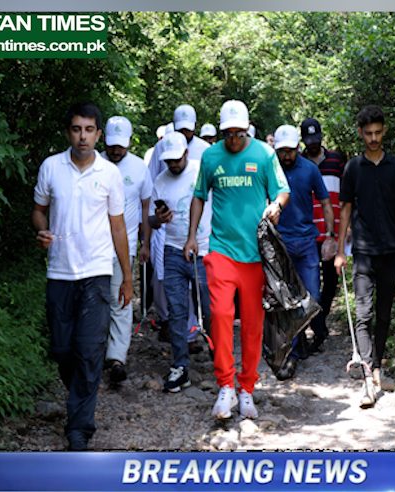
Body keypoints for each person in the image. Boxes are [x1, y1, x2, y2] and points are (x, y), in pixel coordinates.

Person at [32, 102, 133, 450]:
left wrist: (128, 277)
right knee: (62, 350)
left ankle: (79, 429)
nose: (82, 136)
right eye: (76, 129)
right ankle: (80, 395)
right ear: (68, 133)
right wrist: (42, 231)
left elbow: (118, 226)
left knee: (89, 351)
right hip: (59, 272)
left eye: (89, 130)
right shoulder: (51, 167)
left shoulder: (109, 174)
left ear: (99, 134)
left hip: (97, 273)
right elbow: (38, 210)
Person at [184, 100, 290, 420]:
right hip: (221, 250)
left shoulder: (263, 154)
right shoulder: (211, 156)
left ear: (247, 129)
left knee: (253, 324)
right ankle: (225, 385)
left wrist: (277, 206)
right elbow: (199, 197)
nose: (233, 140)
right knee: (219, 314)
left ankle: (247, 389)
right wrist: (191, 236)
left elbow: (282, 190)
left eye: (238, 134)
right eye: (227, 134)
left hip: (256, 253)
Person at [334, 105, 395, 408]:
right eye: (368, 133)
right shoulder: (352, 168)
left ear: (383, 131)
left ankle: (377, 369)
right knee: (363, 314)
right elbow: (346, 209)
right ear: (361, 133)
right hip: (363, 251)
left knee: (384, 315)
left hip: (391, 251)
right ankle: (366, 380)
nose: (373, 138)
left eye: (378, 132)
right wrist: (339, 251)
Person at [149, 131, 213, 393]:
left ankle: (220, 357)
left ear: (186, 154)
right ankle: (180, 365)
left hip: (205, 248)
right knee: (176, 310)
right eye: (169, 161)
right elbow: (151, 220)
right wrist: (159, 219)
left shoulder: (202, 171)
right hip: (173, 249)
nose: (173, 165)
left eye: (177, 159)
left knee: (211, 307)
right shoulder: (160, 181)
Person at [272, 124, 334, 381]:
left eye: (290, 151)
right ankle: (292, 354)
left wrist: (329, 236)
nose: (286, 156)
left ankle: (301, 339)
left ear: (298, 147)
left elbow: (326, 202)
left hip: (307, 243)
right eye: (282, 151)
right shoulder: (271, 169)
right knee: (288, 300)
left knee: (313, 297)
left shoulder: (309, 170)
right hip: (281, 244)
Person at [100, 116, 153, 383]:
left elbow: (146, 207)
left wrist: (145, 242)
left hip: (126, 245)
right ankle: (96, 351)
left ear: (129, 143)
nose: (116, 150)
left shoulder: (140, 169)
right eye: (111, 145)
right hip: (95, 246)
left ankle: (117, 357)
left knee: (121, 300)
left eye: (120, 146)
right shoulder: (94, 164)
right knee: (97, 301)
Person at [300, 117, 347, 354]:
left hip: (333, 230)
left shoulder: (337, 160)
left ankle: (320, 319)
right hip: (308, 231)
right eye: (309, 141)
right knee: (310, 285)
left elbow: (347, 194)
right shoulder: (299, 162)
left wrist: (345, 229)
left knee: (330, 282)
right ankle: (317, 327)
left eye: (316, 140)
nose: (313, 145)